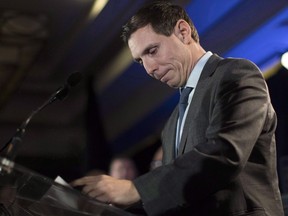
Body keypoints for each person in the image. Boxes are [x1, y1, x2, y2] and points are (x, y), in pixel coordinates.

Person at [71, 2, 284, 215]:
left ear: (183, 32)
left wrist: (135, 188)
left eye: (152, 51)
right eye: (140, 61)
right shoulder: (172, 124)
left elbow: (225, 153)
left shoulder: (236, 74)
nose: (149, 68)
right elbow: (179, 191)